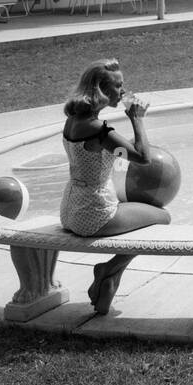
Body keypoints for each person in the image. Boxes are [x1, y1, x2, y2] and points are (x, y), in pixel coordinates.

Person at [59, 58, 170, 314]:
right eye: (118, 86)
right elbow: (143, 158)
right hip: (94, 215)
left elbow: (110, 152)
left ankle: (110, 275)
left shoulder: (74, 120)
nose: (123, 91)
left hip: (70, 210)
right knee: (163, 217)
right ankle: (108, 269)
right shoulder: (99, 130)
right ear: (100, 90)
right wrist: (138, 119)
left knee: (138, 208)